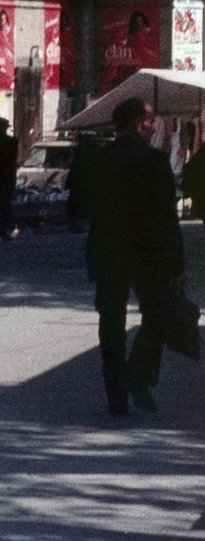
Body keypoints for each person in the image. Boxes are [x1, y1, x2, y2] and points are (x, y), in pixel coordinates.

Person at [81, 97, 187, 415]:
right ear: (139, 124)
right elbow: (168, 218)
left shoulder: (97, 160)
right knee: (157, 316)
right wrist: (176, 264)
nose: (153, 126)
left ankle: (117, 396)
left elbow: (79, 206)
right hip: (147, 255)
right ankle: (137, 376)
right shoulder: (154, 161)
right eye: (151, 121)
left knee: (111, 323)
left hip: (107, 252)